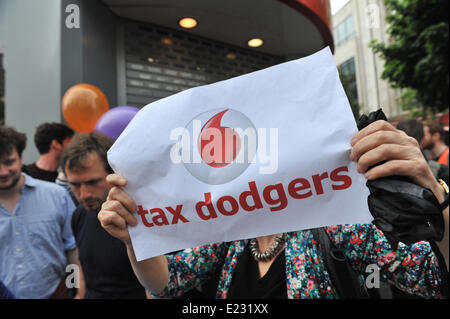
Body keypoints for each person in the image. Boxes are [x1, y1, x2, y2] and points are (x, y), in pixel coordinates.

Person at [98, 120, 449, 299]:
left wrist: (435, 196)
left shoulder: (336, 222)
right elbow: (167, 283)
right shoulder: (230, 228)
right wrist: (134, 239)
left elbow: (432, 277)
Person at [61, 132, 147, 299]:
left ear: (113, 173)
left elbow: (159, 284)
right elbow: (82, 264)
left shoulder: (140, 216)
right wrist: (79, 294)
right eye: (75, 184)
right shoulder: (79, 215)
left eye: (92, 182)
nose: (84, 194)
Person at [0, 125, 80, 299]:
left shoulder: (56, 196)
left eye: (9, 162)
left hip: (55, 294)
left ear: (21, 158)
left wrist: (77, 292)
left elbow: (74, 251)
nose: (3, 172)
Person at [397, 119, 448, 184]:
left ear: (436, 136)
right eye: (424, 135)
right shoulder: (431, 160)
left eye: (426, 134)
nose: (425, 138)